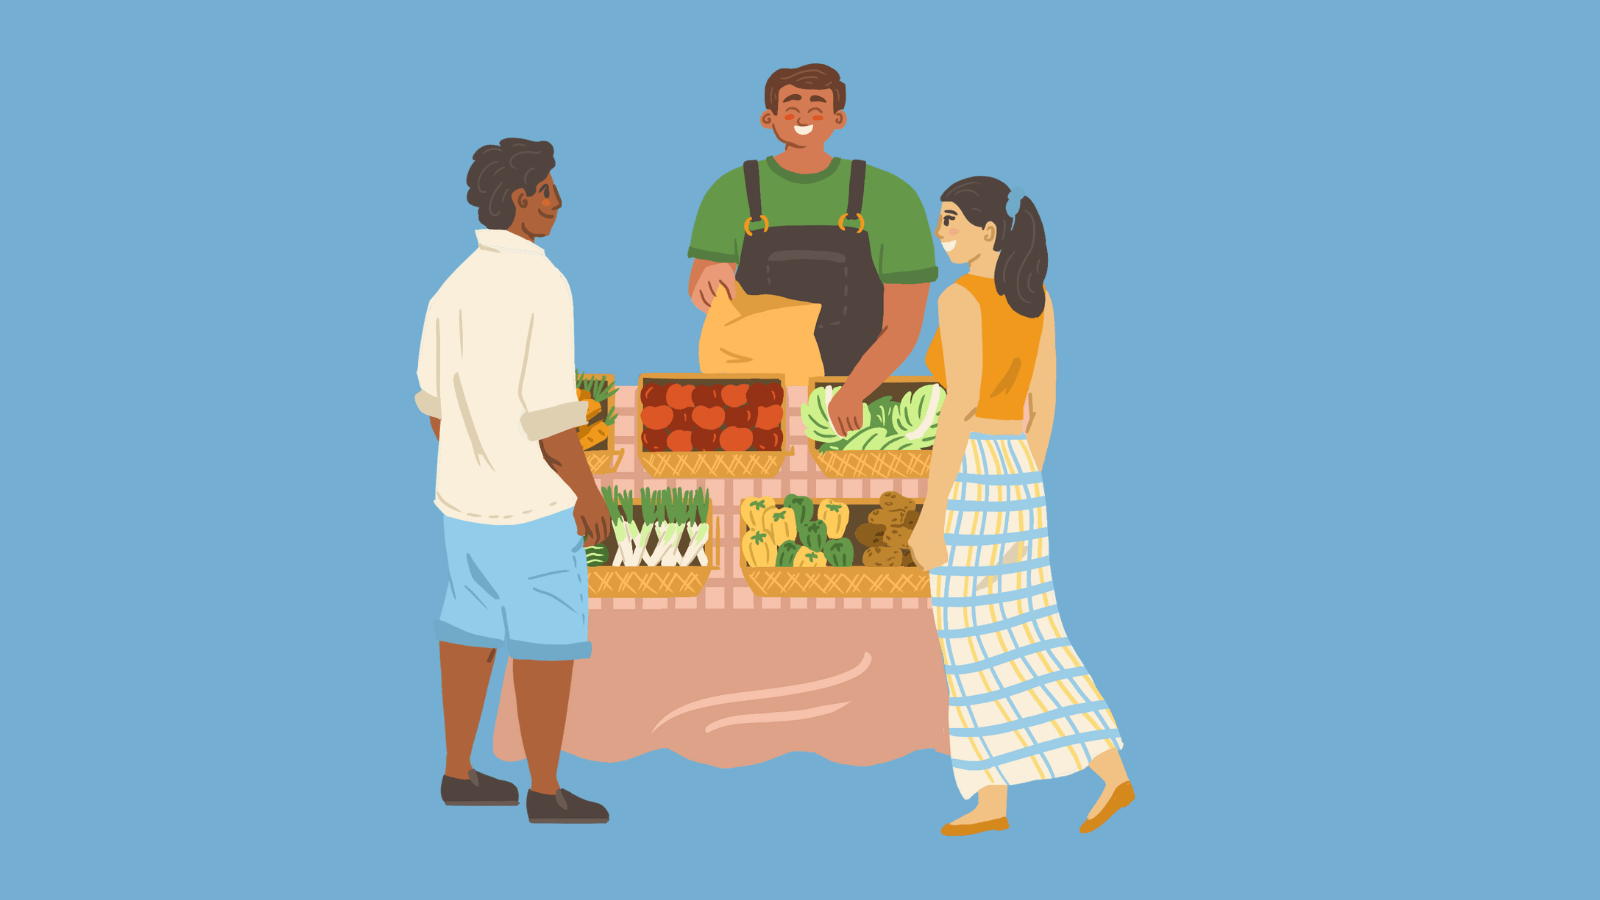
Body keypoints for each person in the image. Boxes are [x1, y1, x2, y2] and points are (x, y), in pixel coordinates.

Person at [909, 176, 1136, 837]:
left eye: (949, 221)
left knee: (969, 638)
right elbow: (1048, 402)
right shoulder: (1037, 299)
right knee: (1028, 628)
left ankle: (991, 796)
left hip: (973, 466)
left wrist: (932, 513)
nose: (940, 232)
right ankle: (1105, 771)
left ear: (988, 233)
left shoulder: (961, 299)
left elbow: (961, 405)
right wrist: (1021, 477)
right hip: (1019, 473)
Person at [413, 138, 613, 825]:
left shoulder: (452, 287)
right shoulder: (542, 283)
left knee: (467, 631)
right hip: (533, 505)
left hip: (464, 504)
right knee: (546, 644)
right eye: (549, 190)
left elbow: (435, 410)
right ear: (522, 199)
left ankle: (458, 772)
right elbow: (552, 418)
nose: (558, 202)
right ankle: (546, 789)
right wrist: (587, 493)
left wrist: (479, 460)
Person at [686, 63, 938, 435]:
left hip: (853, 399)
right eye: (792, 103)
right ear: (767, 118)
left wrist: (852, 394)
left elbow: (904, 323)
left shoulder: (891, 197)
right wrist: (710, 279)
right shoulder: (731, 191)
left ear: (839, 119)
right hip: (756, 398)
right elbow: (701, 294)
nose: (804, 114)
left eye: (817, 104)